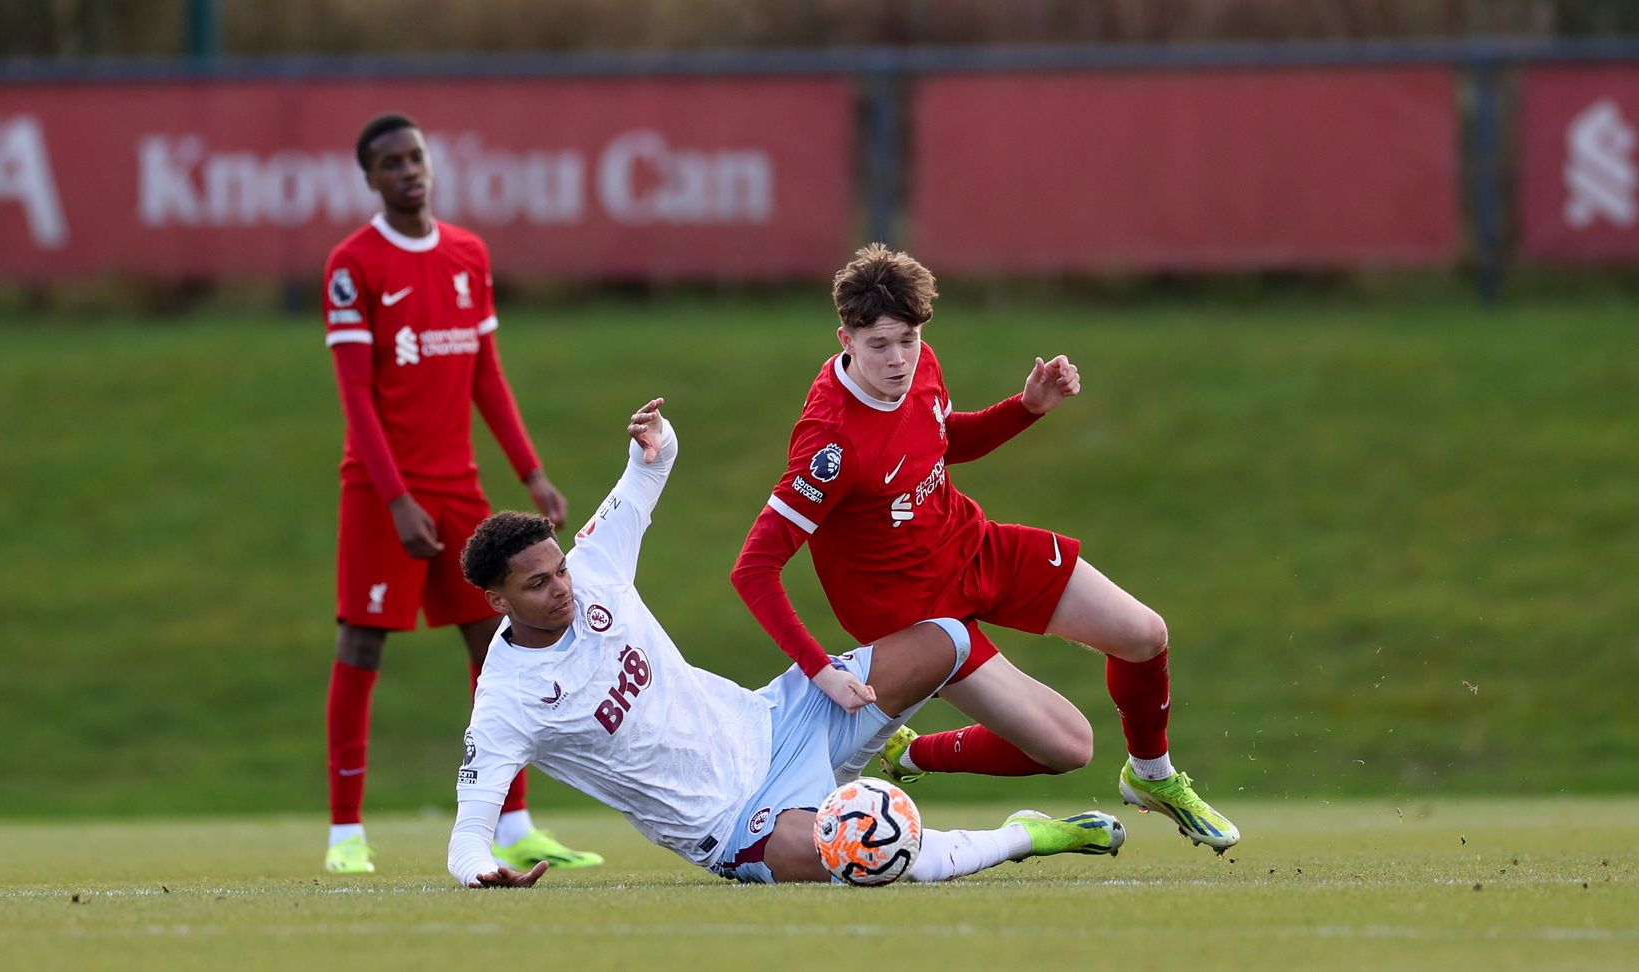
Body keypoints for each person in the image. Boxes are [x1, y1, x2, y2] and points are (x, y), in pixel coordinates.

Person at [447, 399, 1124, 888]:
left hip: (776, 719)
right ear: (498, 601)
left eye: (559, 568)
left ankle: (903, 752)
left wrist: (651, 442)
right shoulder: (507, 700)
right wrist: (483, 871)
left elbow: (648, 474)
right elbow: (468, 835)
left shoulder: (592, 569)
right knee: (872, 860)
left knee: (945, 638)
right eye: (538, 585)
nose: (562, 588)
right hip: (737, 820)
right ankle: (1025, 835)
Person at [730, 244, 1239, 852]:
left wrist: (1026, 409)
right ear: (845, 338)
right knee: (1069, 748)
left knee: (1144, 633)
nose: (898, 361)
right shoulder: (830, 446)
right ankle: (914, 754)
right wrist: (822, 671)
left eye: (909, 340)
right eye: (879, 346)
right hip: (916, 614)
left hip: (971, 545)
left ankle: (1153, 778)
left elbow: (943, 442)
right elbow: (753, 569)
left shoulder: (920, 367)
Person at [319, 112, 599, 874]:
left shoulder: (467, 254)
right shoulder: (353, 266)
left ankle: (514, 823)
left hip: (459, 486)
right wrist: (394, 497)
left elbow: (486, 374)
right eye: (392, 162)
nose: (410, 170)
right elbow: (357, 397)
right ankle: (346, 835)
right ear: (370, 179)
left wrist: (531, 470)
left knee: (501, 642)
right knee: (362, 642)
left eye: (417, 156)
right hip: (384, 491)